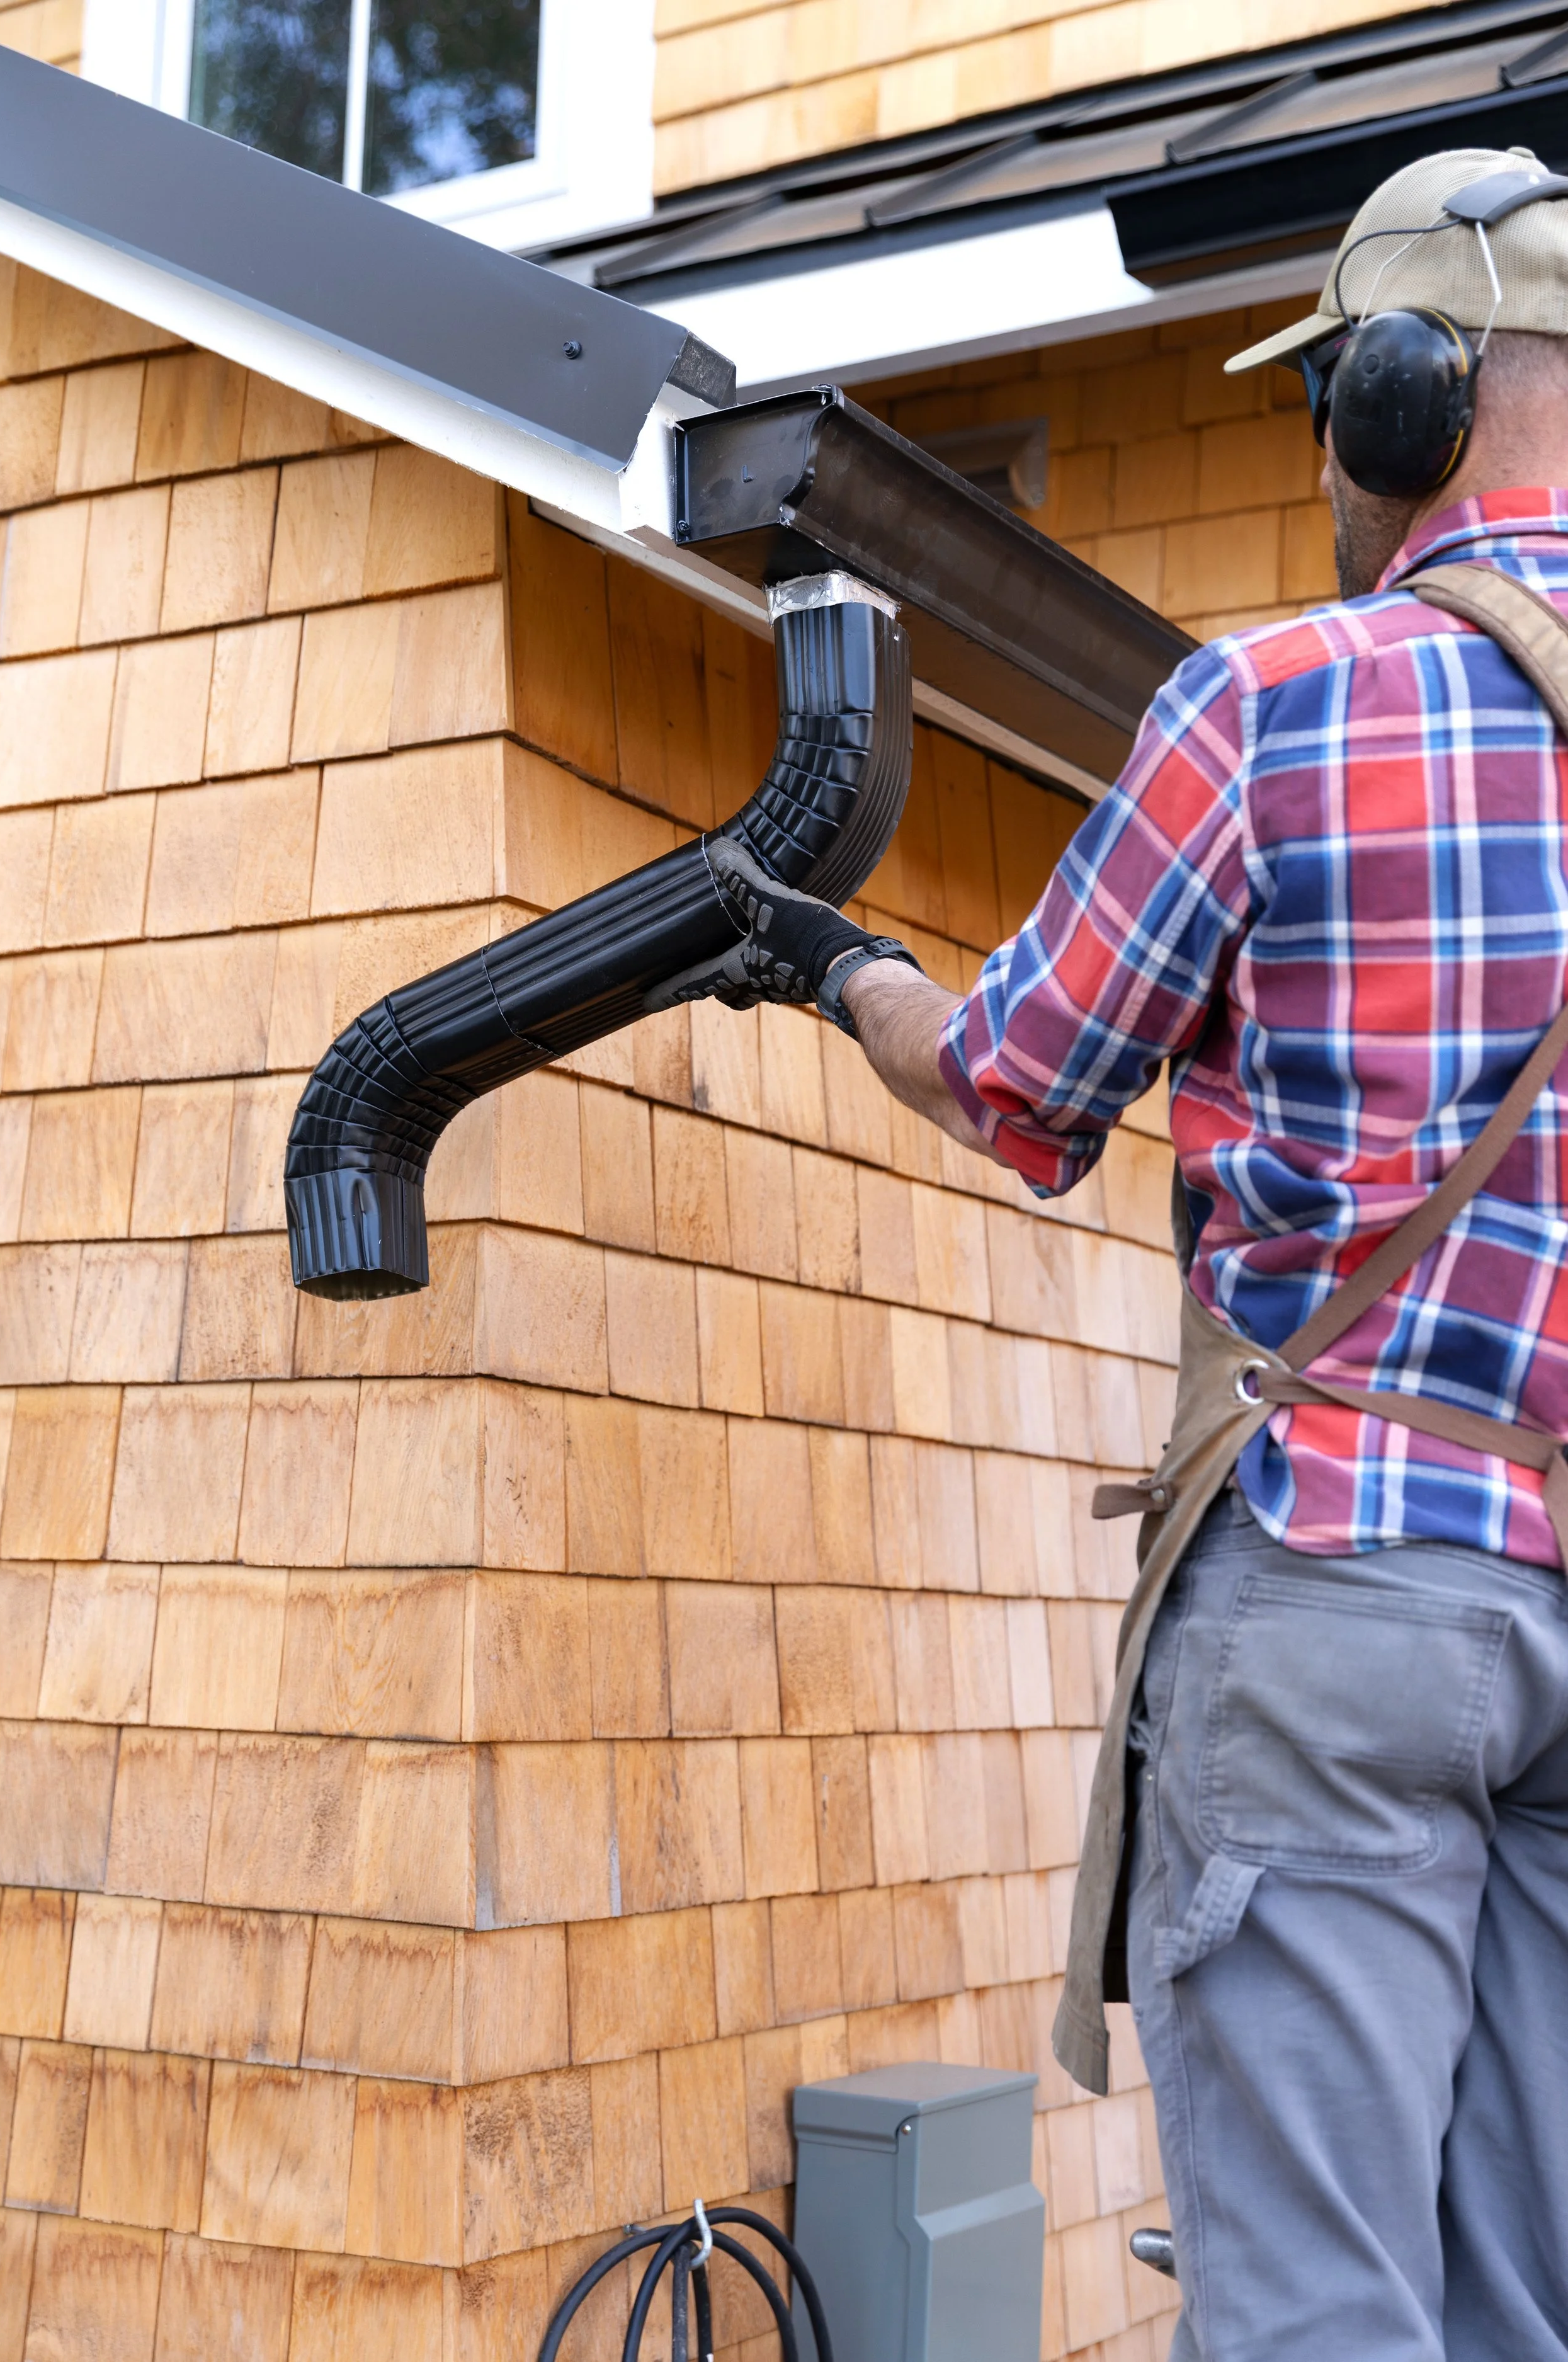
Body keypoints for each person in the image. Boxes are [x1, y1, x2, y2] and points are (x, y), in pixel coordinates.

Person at [703, 147, 1568, 2359]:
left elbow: (1018, 1076)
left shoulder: (1280, 702)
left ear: (1404, 395)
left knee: (1313, 2316)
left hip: (1342, 1594)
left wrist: (833, 967)